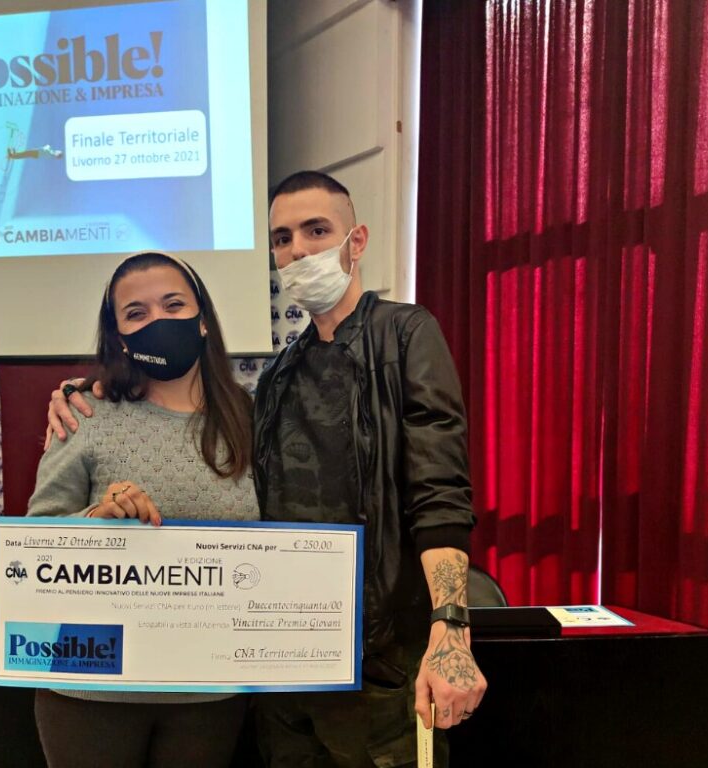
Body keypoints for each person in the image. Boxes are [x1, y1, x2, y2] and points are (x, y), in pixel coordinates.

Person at [47, 172, 486, 767]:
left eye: (316, 230)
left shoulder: (405, 335)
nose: (299, 250)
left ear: (356, 241)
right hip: (280, 674)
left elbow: (440, 493)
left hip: (382, 667)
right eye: (282, 238)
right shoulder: (275, 380)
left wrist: (450, 628)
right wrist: (80, 394)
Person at [30, 251, 258, 768]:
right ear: (120, 336)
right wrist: (98, 518)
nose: (158, 320)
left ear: (202, 319)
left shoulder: (251, 416)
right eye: (137, 313)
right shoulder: (84, 412)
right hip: (92, 690)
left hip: (209, 690)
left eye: (173, 305)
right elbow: (38, 535)